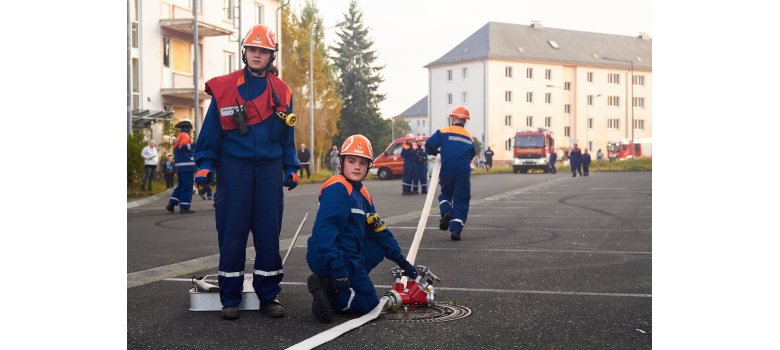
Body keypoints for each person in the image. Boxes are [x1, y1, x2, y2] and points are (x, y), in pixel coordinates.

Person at [192, 24, 300, 320]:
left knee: (268, 234)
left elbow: (286, 138)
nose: (257, 55)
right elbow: (211, 132)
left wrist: (291, 167)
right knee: (232, 234)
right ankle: (230, 298)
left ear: (271, 56)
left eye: (263, 51)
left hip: (268, 171)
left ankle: (269, 296)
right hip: (234, 170)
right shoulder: (226, 89)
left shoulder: (282, 92)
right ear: (244, 52)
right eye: (253, 49)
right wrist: (204, 165)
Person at [305, 135, 417, 323]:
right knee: (369, 305)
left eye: (362, 163)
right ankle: (333, 298)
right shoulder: (338, 188)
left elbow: (379, 230)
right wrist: (339, 269)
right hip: (328, 256)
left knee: (378, 246)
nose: (357, 166)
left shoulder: (362, 193)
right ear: (341, 162)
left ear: (368, 166)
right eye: (351, 161)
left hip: (348, 255)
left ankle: (332, 286)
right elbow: (324, 235)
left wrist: (402, 262)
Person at [425, 105, 476, 241]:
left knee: (446, 194)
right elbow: (472, 154)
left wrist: (437, 153)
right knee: (461, 199)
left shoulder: (443, 131)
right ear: (466, 120)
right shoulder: (469, 138)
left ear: (453, 118)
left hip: (446, 169)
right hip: (463, 172)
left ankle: (446, 211)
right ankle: (456, 230)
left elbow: (429, 145)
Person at [165, 120, 196, 213]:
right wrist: (196, 144)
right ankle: (184, 207)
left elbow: (179, 149)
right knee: (188, 187)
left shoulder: (178, 137)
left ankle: (172, 203)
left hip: (179, 165)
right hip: (187, 165)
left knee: (181, 185)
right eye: (190, 129)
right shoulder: (185, 136)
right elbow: (185, 148)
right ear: (188, 128)